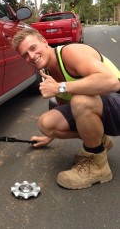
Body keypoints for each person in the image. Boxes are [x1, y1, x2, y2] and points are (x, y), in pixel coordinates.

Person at [12, 28, 120, 190]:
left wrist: (60, 87)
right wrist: (50, 136)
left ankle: (98, 165)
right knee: (46, 124)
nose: (31, 57)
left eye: (33, 48)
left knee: (81, 100)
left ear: (44, 41)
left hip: (116, 98)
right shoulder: (49, 70)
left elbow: (112, 82)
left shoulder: (70, 53)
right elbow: (66, 106)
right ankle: (99, 139)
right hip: (104, 108)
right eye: (25, 55)